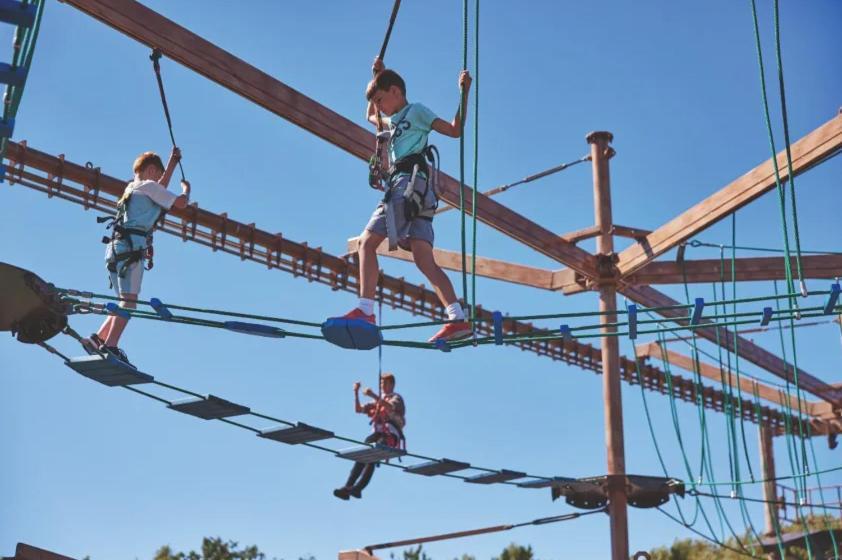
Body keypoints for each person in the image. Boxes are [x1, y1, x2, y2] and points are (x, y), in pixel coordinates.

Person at [329, 57, 473, 343]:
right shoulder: (390, 120)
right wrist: (376, 75)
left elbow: (455, 130)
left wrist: (464, 93)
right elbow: (368, 114)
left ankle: (365, 309)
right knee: (423, 258)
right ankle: (457, 317)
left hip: (408, 184)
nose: (379, 107)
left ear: (396, 91)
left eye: (382, 99)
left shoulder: (415, 111)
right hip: (420, 192)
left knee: (366, 243)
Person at [80, 148, 190, 362]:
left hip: (114, 249)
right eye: (158, 175)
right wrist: (185, 190)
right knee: (129, 302)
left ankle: (97, 338)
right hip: (131, 249)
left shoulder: (132, 187)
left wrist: (171, 164)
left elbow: (159, 190)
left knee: (123, 301)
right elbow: (179, 203)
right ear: (150, 170)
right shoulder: (149, 186)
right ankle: (111, 346)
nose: (159, 180)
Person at [334, 372, 406, 500]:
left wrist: (373, 395)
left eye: (384, 383)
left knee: (374, 453)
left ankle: (358, 488)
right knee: (364, 452)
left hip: (390, 435)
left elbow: (390, 407)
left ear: (392, 384)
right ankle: (348, 486)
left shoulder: (396, 398)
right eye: (381, 383)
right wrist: (356, 393)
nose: (382, 386)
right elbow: (358, 409)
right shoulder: (377, 402)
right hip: (378, 433)